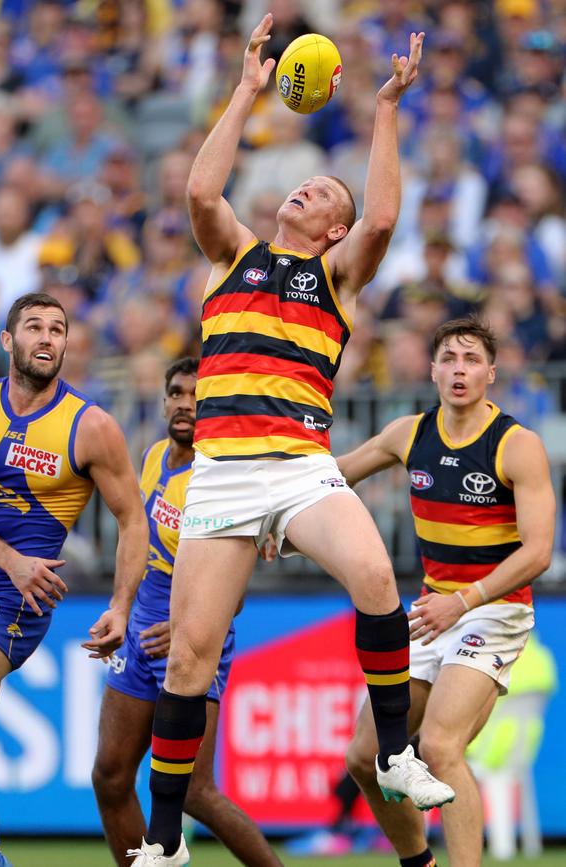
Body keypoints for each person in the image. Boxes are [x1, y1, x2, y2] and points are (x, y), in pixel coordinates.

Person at [132, 15, 454, 867]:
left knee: (378, 575)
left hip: (302, 466)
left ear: (333, 232)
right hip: (225, 473)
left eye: (323, 192)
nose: (306, 188)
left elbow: (383, 217)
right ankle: (164, 845)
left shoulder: (337, 277)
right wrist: (244, 91)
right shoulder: (231, 253)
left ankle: (392, 754)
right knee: (189, 663)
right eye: (305, 182)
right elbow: (202, 195)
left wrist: (385, 109)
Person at [0, 292, 149, 867]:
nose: (48, 338)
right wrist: (7, 558)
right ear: (7, 340)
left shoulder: (90, 425)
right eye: (35, 327)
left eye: (58, 330)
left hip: (20, 597)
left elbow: (133, 519)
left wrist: (121, 606)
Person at [338, 317, 555, 867]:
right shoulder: (407, 433)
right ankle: (420, 863)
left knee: (437, 747)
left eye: (472, 360)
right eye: (450, 359)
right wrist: (275, 512)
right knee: (365, 757)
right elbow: (334, 477)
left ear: (491, 372)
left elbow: (538, 553)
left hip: (493, 611)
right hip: (433, 613)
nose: (460, 370)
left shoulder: (517, 445)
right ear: (432, 370)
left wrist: (462, 601)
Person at [92, 357, 283, 867]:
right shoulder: (155, 456)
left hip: (193, 637)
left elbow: (234, 589)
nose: (185, 404)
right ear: (163, 401)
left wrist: (183, 625)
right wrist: (122, 609)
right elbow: (135, 544)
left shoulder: (220, 479)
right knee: (110, 776)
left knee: (195, 791)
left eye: (198, 397)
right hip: (139, 635)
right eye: (177, 393)